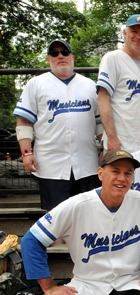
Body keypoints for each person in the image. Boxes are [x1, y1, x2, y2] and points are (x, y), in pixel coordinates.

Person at [20, 150, 140, 295]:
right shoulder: (77, 204)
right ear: (100, 173)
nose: (122, 178)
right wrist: (49, 287)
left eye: (128, 173)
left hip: (131, 284)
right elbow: (30, 241)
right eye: (115, 171)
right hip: (87, 285)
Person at [14, 39, 101, 211]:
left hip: (86, 164)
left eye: (65, 52)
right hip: (51, 165)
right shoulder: (36, 84)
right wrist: (26, 153)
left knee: (88, 214)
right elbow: (24, 121)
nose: (60, 56)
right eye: (55, 53)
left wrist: (105, 147)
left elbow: (100, 123)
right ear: (48, 59)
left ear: (72, 57)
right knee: (55, 219)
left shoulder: (90, 85)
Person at [97, 14, 140, 153]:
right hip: (120, 140)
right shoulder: (112, 58)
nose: (139, 37)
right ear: (125, 33)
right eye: (134, 31)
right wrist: (111, 137)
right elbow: (102, 98)